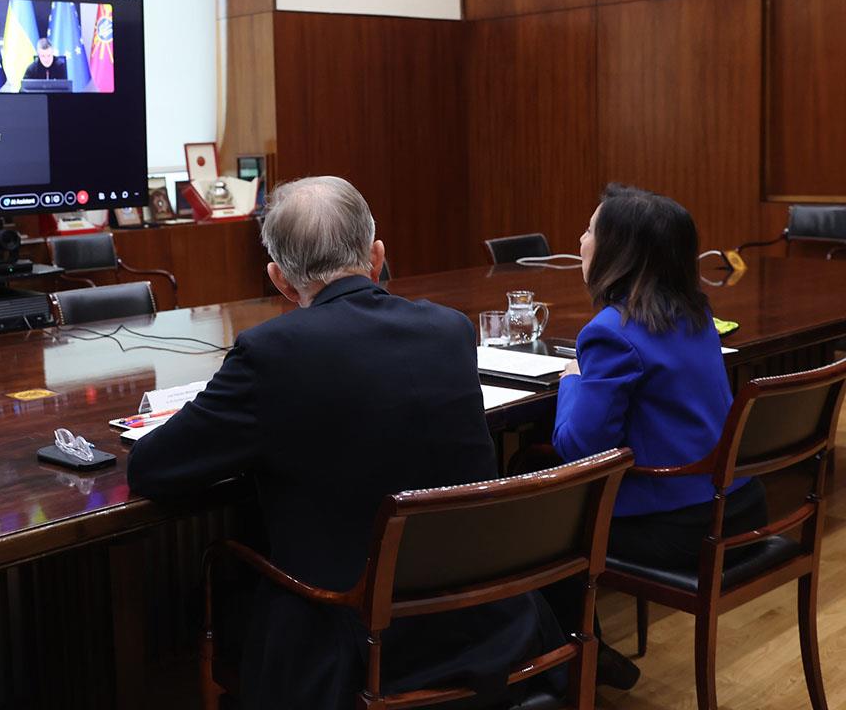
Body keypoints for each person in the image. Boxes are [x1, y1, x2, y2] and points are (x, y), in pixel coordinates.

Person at [128, 176, 564, 710]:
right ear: (377, 257)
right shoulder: (449, 330)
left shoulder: (269, 353)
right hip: (485, 618)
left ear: (281, 282)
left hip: (352, 638)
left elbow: (153, 468)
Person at [552, 183, 768, 687]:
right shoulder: (697, 316)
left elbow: (578, 450)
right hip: (739, 505)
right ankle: (581, 654)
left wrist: (573, 383)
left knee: (539, 532)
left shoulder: (612, 331)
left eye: (589, 231)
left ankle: (572, 664)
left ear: (618, 252)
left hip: (684, 527)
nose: (581, 240)